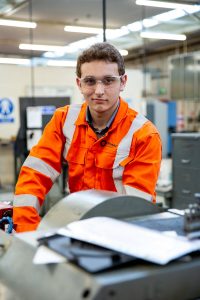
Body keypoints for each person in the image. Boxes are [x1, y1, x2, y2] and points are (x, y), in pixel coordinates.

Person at [13, 42, 162, 232]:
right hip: (78, 225)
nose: (99, 91)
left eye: (108, 80)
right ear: (79, 84)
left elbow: (135, 208)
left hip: (122, 231)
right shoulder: (63, 120)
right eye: (90, 81)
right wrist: (26, 231)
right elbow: (33, 176)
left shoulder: (143, 135)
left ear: (122, 82)